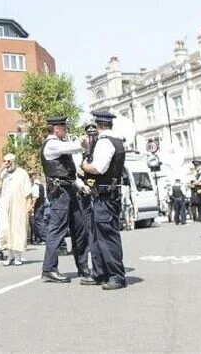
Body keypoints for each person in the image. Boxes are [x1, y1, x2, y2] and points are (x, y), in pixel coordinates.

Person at [40, 116, 90, 283]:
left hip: (68, 190)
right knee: (57, 229)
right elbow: (73, 147)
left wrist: (79, 184)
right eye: (64, 128)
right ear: (56, 129)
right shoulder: (52, 144)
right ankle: (49, 269)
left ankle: (83, 267)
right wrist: (83, 141)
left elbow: (67, 173)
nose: (65, 131)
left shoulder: (59, 146)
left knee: (80, 229)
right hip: (60, 192)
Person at [80, 110, 127, 290]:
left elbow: (98, 168)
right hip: (105, 195)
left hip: (105, 196)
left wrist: (84, 164)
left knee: (107, 236)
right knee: (97, 235)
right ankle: (100, 272)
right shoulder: (116, 141)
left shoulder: (105, 142)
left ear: (98, 125)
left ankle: (116, 275)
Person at [0, 154, 33, 266]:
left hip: (18, 206)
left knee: (17, 230)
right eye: (5, 161)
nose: (7, 163)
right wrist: (1, 169)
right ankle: (9, 256)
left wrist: (28, 208)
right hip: (5, 205)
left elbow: (28, 192)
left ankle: (18, 257)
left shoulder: (22, 173)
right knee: (5, 230)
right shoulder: (4, 174)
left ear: (14, 161)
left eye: (9, 161)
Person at [30, 173, 48, 244]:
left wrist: (32, 206)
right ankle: (40, 238)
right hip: (42, 204)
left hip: (38, 205)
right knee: (40, 221)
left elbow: (35, 197)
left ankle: (43, 238)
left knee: (38, 222)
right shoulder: (41, 185)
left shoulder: (35, 185)